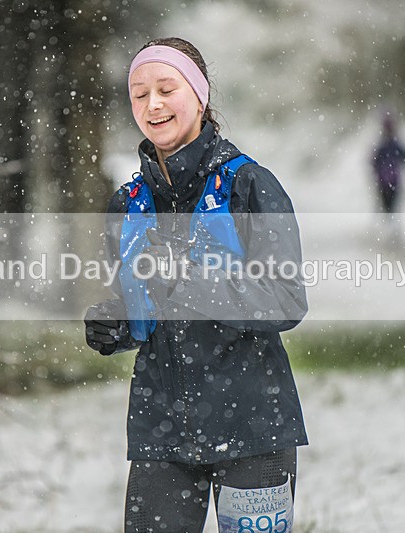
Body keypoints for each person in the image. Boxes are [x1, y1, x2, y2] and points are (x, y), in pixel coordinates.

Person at [83, 37, 309, 532]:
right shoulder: (127, 205)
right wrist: (115, 325)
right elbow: (144, 309)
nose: (153, 104)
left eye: (167, 88)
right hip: (162, 431)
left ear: (200, 96)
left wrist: (191, 280)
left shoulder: (250, 185)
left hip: (254, 427)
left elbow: (286, 300)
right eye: (139, 94)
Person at [371, 111, 405, 215]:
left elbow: (374, 160)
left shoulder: (384, 145)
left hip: (386, 179)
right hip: (391, 179)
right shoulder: (391, 144)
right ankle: (389, 220)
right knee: (390, 202)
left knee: (388, 202)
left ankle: (388, 220)